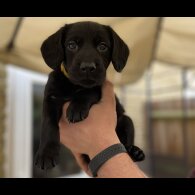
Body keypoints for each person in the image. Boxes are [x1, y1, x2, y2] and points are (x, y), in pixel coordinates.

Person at [59, 81, 147, 178]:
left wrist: (103, 146)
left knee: (127, 122)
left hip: (114, 138)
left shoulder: (99, 85)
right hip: (93, 153)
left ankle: (128, 150)